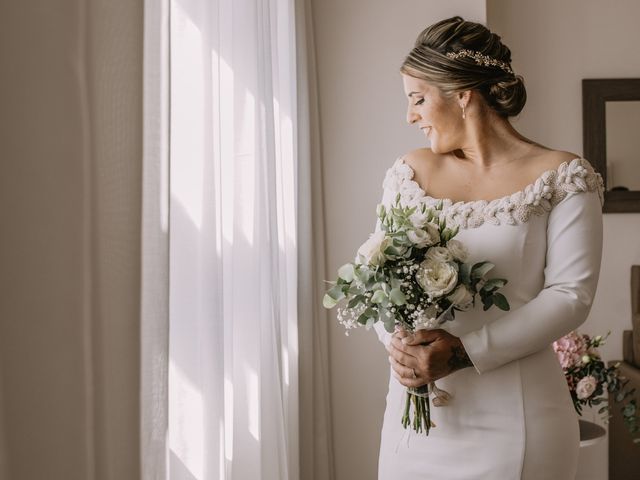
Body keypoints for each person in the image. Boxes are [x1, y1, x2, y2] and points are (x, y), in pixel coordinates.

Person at [372, 16, 604, 479]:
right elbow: (377, 271)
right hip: (418, 420)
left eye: (418, 98)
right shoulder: (408, 173)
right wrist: (399, 347)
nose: (410, 116)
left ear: (462, 94)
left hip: (517, 417)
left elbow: (570, 295)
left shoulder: (564, 176)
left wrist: (462, 352)